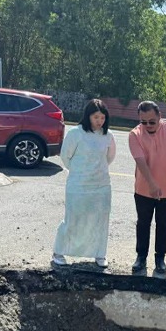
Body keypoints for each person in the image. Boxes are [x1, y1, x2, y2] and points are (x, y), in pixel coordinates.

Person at [52, 99, 117, 268]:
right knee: (73, 218)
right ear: (88, 116)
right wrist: (79, 171)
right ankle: (59, 252)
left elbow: (109, 158)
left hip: (101, 185)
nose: (99, 121)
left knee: (100, 219)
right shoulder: (76, 133)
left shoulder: (108, 136)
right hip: (78, 185)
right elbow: (66, 156)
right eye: (96, 117)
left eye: (102, 118)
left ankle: (99, 254)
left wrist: (96, 171)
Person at [128, 100, 166, 279]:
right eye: (143, 122)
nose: (147, 126)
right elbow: (141, 162)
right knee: (143, 223)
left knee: (163, 225)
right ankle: (141, 257)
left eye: (151, 122)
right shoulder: (135, 135)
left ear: (160, 117)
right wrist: (152, 185)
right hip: (142, 190)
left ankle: (160, 259)